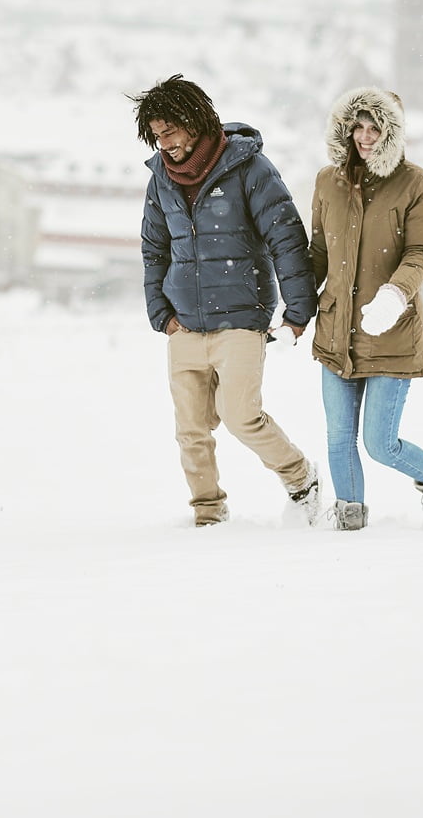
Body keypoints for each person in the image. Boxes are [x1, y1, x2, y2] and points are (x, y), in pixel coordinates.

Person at [134, 75, 322, 527]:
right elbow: (153, 249)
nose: (165, 144)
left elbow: (286, 241)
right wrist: (161, 314)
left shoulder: (250, 170)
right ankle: (208, 514)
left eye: (170, 132)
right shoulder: (160, 179)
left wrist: (298, 312)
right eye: (156, 135)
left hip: (241, 319)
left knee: (240, 415)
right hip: (185, 325)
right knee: (191, 431)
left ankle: (301, 480)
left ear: (194, 121)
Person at [307, 86, 423, 530]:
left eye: (375, 127)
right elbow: (318, 254)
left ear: (392, 132)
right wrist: (290, 308)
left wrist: (395, 294)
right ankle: (349, 520)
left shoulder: (417, 184)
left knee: (380, 443)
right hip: (336, 330)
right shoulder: (328, 181)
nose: (365, 136)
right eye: (357, 126)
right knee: (339, 439)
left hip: (390, 332)